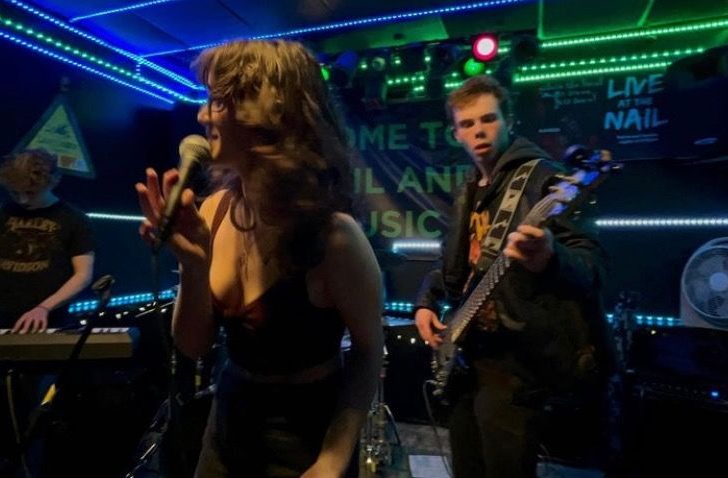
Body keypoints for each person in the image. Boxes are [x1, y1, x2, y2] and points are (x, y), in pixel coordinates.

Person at [136, 39, 383, 477]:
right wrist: (193, 267)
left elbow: (368, 353)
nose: (202, 115)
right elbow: (191, 345)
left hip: (307, 432)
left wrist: (332, 459)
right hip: (229, 419)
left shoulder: (334, 237)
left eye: (217, 102)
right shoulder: (213, 211)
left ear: (266, 112)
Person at [415, 75, 609, 478]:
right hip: (468, 354)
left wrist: (550, 259)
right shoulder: (469, 189)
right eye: (467, 124)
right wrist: (425, 302)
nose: (478, 130)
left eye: (488, 119)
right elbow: (452, 266)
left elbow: (594, 267)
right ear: (456, 133)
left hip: (516, 364)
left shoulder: (545, 181)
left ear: (508, 121)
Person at [0, 148, 95, 332]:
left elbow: (83, 275)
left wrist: (43, 308)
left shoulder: (74, 219)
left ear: (52, 182)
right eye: (15, 193)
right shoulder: (2, 214)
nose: (22, 200)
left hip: (51, 320)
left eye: (30, 192)